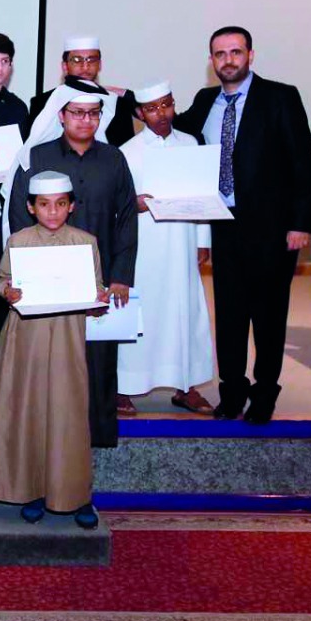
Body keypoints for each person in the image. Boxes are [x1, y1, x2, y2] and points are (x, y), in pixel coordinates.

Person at [174, 26, 311, 423]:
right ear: (212, 60)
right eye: (220, 54)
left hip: (273, 229)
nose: (228, 60)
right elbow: (172, 127)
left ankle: (266, 393)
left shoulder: (280, 97)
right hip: (224, 225)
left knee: (269, 316)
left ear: (250, 55)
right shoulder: (206, 100)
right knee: (231, 315)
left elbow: (304, 164)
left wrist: (300, 224)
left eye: (235, 52)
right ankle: (233, 391)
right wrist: (130, 101)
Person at [6, 80, 138, 448]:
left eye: (94, 113)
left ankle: (95, 441)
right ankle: (43, 443)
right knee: (48, 363)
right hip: (46, 282)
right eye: (77, 113)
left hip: (99, 280)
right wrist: (28, 276)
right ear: (61, 115)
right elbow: (20, 216)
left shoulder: (114, 158)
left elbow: (127, 217)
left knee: (97, 362)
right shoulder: (36, 156)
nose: (86, 121)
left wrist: (121, 276)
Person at [0, 171, 106, 529]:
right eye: (44, 205)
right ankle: (32, 490)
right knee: (29, 411)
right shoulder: (19, 241)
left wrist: (97, 299)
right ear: (30, 207)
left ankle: (75, 494)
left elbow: (95, 286)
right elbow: (3, 281)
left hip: (67, 338)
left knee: (67, 415)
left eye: (60, 205)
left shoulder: (86, 242)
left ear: (71, 207)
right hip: (25, 339)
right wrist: (8, 292)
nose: (52, 213)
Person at [117, 82, 214, 416]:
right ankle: (125, 387)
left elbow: (203, 195)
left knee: (185, 311)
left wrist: (203, 241)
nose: (161, 114)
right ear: (141, 113)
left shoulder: (190, 143)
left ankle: (185, 387)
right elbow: (117, 204)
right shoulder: (128, 152)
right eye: (153, 109)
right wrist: (135, 204)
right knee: (143, 313)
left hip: (184, 243)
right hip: (145, 249)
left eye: (166, 105)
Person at [26, 36, 136, 147]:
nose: (85, 66)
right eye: (77, 60)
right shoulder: (41, 103)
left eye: (91, 60)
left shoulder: (118, 104)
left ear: (100, 65)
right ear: (65, 66)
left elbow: (127, 155)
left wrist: (125, 94)